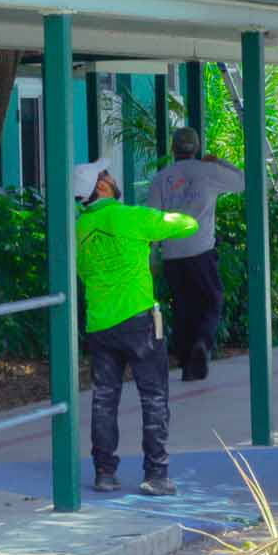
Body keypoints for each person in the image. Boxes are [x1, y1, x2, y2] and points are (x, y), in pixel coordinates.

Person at [74, 158, 196, 496]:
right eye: (107, 175)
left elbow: (83, 272)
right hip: (139, 321)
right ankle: (156, 475)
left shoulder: (80, 230)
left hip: (99, 324)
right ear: (102, 186)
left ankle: (104, 473)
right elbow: (186, 225)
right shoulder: (132, 217)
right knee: (154, 396)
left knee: (104, 399)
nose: (113, 177)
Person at [146, 127, 247, 381]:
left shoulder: (161, 178)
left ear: (173, 149)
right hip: (201, 251)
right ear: (197, 148)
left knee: (183, 306)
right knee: (212, 300)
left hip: (172, 254)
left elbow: (152, 221)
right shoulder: (208, 172)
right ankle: (202, 343)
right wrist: (219, 162)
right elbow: (244, 181)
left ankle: (186, 361)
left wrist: (153, 255)